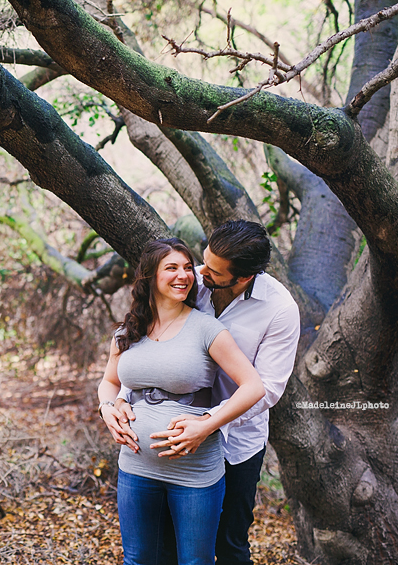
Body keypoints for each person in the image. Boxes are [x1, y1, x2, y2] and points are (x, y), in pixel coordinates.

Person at [104, 220, 301, 565]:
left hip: (236, 439)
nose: (198, 272)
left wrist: (207, 423)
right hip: (158, 456)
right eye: (204, 262)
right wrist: (118, 399)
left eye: (212, 270)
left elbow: (266, 388)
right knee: (163, 547)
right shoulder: (190, 281)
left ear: (242, 277)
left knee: (229, 547)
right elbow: (150, 347)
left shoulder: (279, 309)